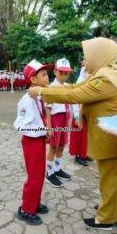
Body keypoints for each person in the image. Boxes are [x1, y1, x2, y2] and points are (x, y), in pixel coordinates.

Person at [28, 37, 117, 230]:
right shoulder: (106, 73)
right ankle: (111, 209)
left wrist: (41, 92)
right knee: (112, 179)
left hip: (112, 140)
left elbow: (74, 95)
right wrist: (51, 89)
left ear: (100, 55)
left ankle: (106, 219)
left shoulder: (104, 79)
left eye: (89, 55)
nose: (87, 60)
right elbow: (76, 87)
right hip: (115, 137)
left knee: (110, 180)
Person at [14, 59, 52, 225]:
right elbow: (21, 126)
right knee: (34, 176)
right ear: (33, 79)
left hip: (39, 140)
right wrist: (43, 131)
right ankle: (26, 209)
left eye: (47, 74)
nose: (47, 77)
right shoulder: (26, 100)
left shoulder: (38, 96)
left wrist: (45, 131)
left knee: (40, 174)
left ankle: (34, 203)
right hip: (31, 142)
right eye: (43, 75)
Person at [45, 58, 73, 188]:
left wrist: (69, 122)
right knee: (53, 147)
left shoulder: (67, 87)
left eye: (66, 73)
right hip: (55, 119)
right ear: (55, 71)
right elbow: (48, 109)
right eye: (61, 72)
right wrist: (49, 127)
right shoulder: (51, 88)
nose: (64, 75)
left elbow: (70, 105)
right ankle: (49, 173)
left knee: (62, 145)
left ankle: (57, 169)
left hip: (65, 118)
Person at [69, 60, 90, 166]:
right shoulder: (80, 82)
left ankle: (84, 154)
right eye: (86, 66)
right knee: (79, 136)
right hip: (79, 114)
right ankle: (78, 156)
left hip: (86, 113)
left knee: (86, 136)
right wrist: (77, 117)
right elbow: (74, 100)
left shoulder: (88, 80)